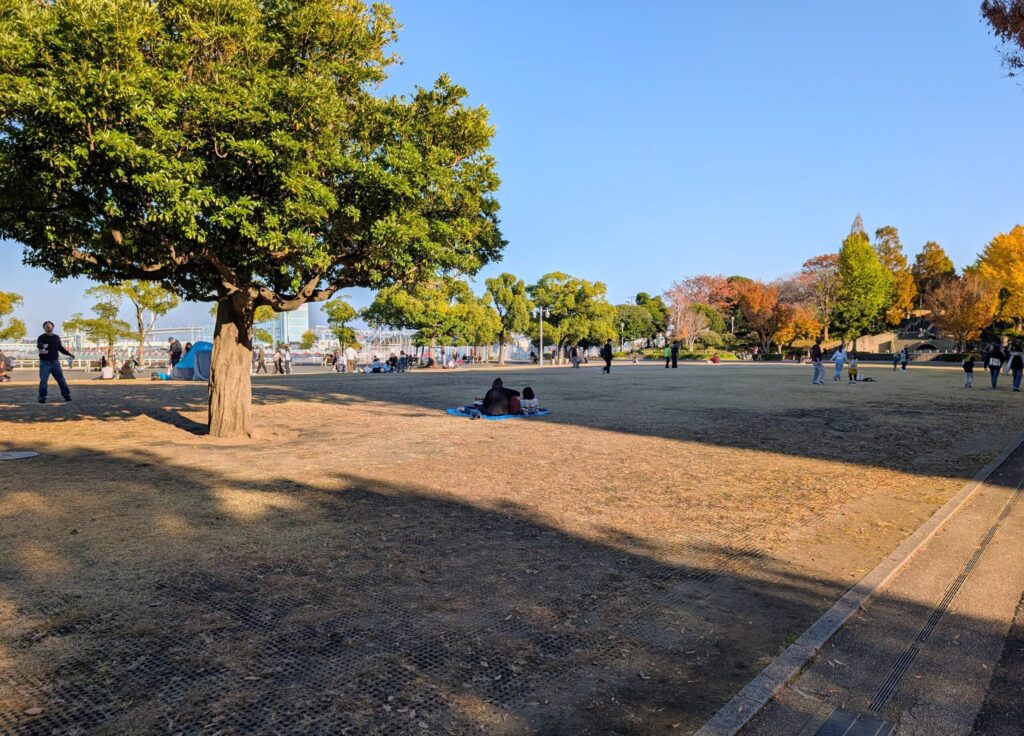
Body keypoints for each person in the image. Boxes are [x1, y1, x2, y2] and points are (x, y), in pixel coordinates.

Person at [37, 320, 75, 403]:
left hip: (55, 362)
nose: (48, 327)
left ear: (53, 327)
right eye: (46, 326)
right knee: (43, 380)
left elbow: (60, 348)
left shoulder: (56, 337)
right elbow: (40, 347)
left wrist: (69, 354)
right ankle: (42, 397)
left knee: (61, 380)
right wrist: (43, 349)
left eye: (50, 326)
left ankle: (66, 395)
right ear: (44, 328)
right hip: (44, 362)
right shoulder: (41, 337)